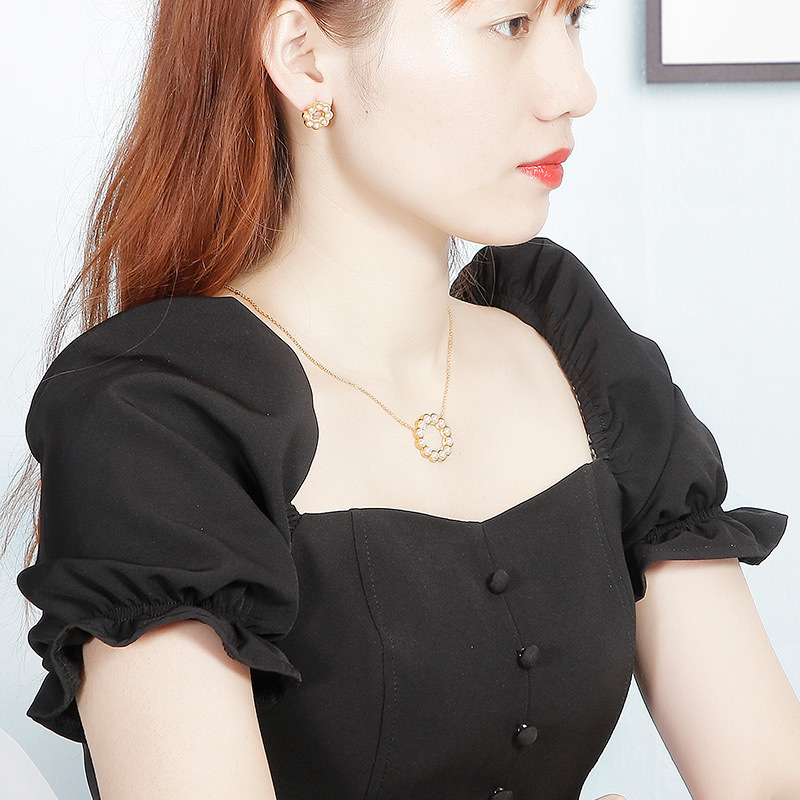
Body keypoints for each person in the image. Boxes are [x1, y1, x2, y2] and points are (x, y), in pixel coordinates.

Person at [5, 0, 800, 798]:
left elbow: (767, 777)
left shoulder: (574, 345)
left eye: (574, 17)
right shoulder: (154, 419)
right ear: (305, 56)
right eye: (511, 24)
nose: (575, 90)